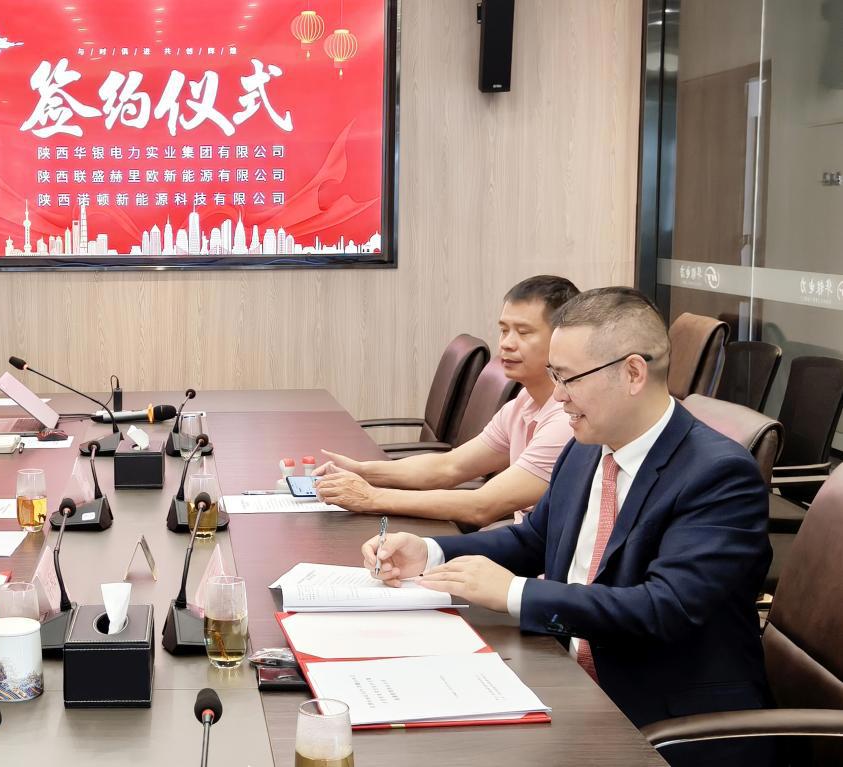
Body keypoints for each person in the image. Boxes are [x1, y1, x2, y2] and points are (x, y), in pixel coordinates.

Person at [359, 287, 772, 766]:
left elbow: (665, 607)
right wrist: (431, 553)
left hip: (664, 723)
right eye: (555, 375)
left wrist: (515, 593)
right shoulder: (586, 447)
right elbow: (535, 539)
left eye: (569, 378)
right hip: (567, 679)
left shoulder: (718, 474)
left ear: (633, 373)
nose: (557, 395)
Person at [316, 275, 579, 528]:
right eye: (503, 330)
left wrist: (371, 497)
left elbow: (483, 506)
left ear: (562, 338)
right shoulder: (524, 402)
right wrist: (362, 471)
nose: (506, 344)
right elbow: (449, 467)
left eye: (523, 332)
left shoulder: (566, 420)